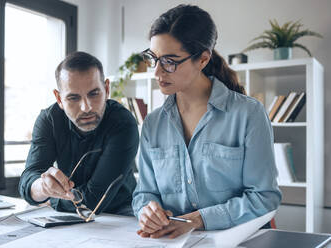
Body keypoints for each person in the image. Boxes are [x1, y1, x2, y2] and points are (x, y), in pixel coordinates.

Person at [132, 4, 282, 238]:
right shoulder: (153, 123)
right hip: (175, 242)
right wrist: (146, 210)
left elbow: (264, 197)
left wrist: (198, 220)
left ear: (202, 59)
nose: (158, 73)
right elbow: (145, 192)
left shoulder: (248, 114)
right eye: (154, 58)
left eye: (169, 61)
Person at [19, 51, 139, 216]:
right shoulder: (49, 120)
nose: (86, 107)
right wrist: (43, 186)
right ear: (59, 99)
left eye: (94, 94)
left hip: (119, 212)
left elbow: (93, 201)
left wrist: (51, 199)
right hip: (68, 212)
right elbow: (28, 180)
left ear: (107, 89)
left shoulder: (122, 122)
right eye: (73, 98)